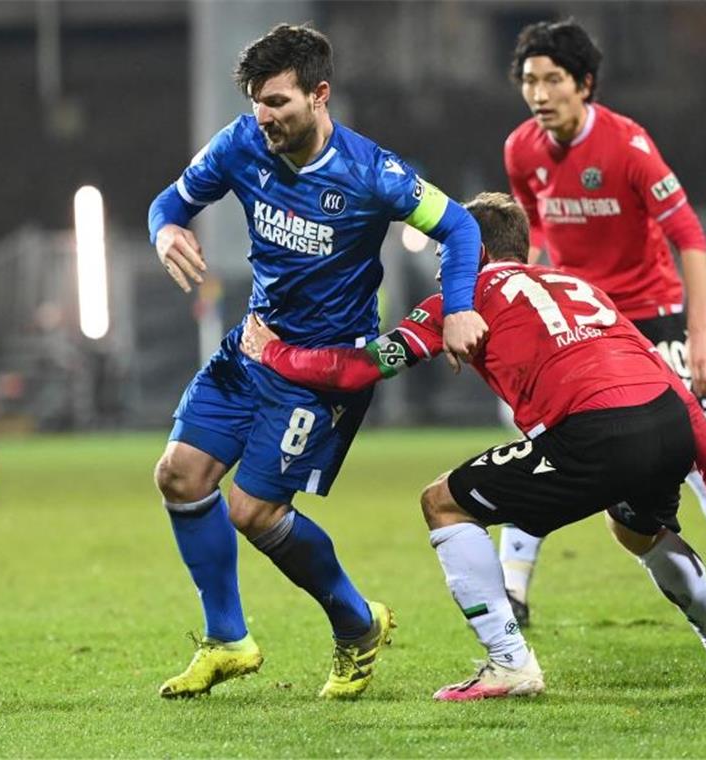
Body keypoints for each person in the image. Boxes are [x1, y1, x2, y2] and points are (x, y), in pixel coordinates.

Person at [240, 191, 706, 700]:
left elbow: (360, 370)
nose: (445, 267)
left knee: (442, 502)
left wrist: (276, 354)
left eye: (450, 249)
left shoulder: (460, 301)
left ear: (477, 252)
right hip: (666, 423)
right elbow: (677, 389)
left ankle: (509, 663)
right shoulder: (575, 286)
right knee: (635, 526)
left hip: (594, 434)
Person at [146, 23, 487, 700]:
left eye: (277, 102)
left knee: (252, 510)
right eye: (255, 103)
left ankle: (356, 623)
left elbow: (460, 226)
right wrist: (166, 231)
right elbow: (170, 202)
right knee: (180, 476)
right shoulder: (241, 144)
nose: (264, 117)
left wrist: (457, 307)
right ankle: (228, 641)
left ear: (319, 94)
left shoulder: (373, 173)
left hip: (321, 370)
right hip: (252, 348)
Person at [500, 19, 706, 625]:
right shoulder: (521, 149)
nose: (540, 94)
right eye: (529, 81)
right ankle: (513, 592)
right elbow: (533, 228)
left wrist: (699, 332)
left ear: (585, 84)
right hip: (583, 321)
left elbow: (690, 236)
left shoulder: (628, 146)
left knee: (689, 446)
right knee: (545, 444)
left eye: (553, 80)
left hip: (653, 316)